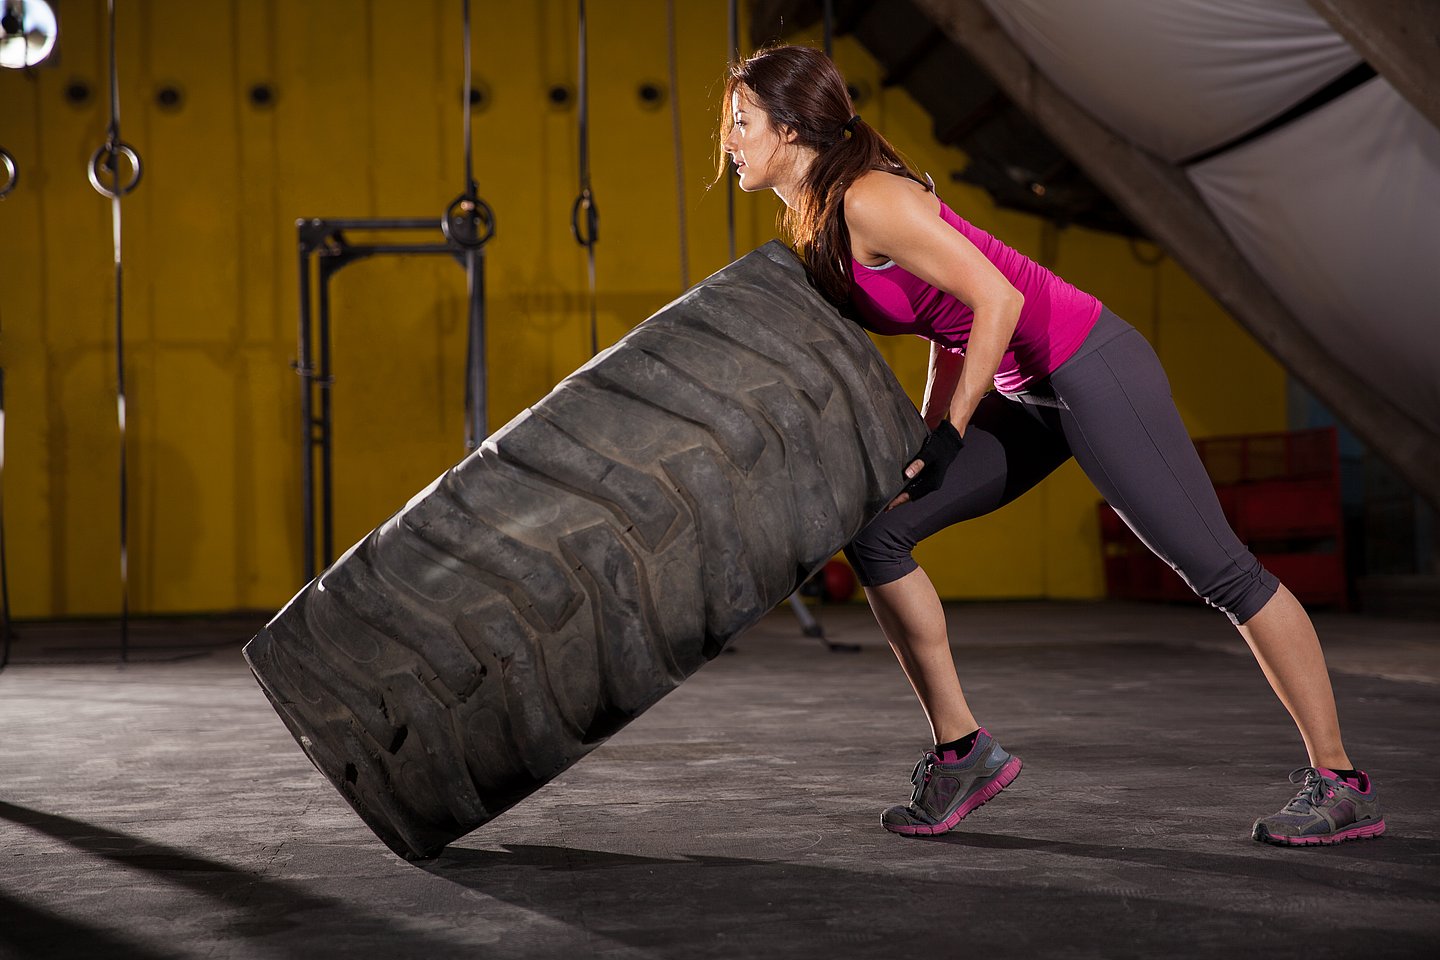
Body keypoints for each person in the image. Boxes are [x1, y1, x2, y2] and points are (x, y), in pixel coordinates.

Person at [717, 44, 1384, 846]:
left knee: (1223, 573)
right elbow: (948, 321)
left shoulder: (869, 201)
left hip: (1091, 366)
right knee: (879, 533)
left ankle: (1342, 782)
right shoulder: (826, 212)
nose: (729, 137)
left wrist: (955, 429)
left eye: (741, 120)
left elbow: (996, 299)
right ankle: (963, 752)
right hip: (1025, 391)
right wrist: (933, 430)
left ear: (788, 130)